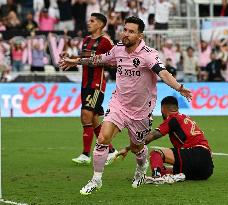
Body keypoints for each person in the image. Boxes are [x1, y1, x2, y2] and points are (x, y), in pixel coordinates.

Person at [59, 16, 192, 195]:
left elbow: (163, 73)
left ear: (140, 35)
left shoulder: (148, 54)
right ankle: (96, 180)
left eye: (131, 31)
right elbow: (98, 59)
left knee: (137, 147)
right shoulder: (118, 49)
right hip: (119, 104)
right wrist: (75, 61)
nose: (126, 34)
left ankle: (140, 169)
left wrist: (179, 87)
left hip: (141, 111)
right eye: (125, 30)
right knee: (103, 138)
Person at [60, 13, 118, 165]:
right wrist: (71, 57)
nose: (89, 23)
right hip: (85, 83)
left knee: (85, 114)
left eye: (92, 21)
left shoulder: (105, 42)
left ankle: (85, 154)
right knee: (92, 120)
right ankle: (111, 150)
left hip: (96, 84)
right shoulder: (86, 40)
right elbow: (84, 58)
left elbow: (115, 59)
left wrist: (106, 63)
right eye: (89, 20)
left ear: (100, 24)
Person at [117, 96, 214, 183]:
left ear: (163, 108)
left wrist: (128, 148)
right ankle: (178, 176)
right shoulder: (185, 118)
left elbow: (150, 138)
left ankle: (156, 177)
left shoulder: (172, 119)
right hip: (207, 167)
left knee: (156, 154)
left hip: (195, 153)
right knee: (165, 169)